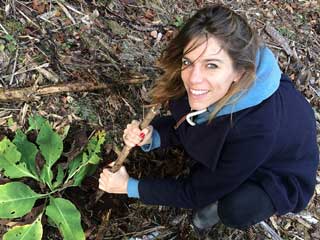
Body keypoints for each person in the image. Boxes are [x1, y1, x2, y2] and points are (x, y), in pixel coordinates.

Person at [98, 4, 319, 235]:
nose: (194, 78)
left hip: (277, 169)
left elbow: (196, 192)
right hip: (246, 144)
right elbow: (190, 121)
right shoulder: (206, 86)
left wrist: (128, 187)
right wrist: (153, 135)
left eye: (211, 65)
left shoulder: (256, 130)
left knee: (237, 208)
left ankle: (216, 210)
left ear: (239, 73)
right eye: (188, 62)